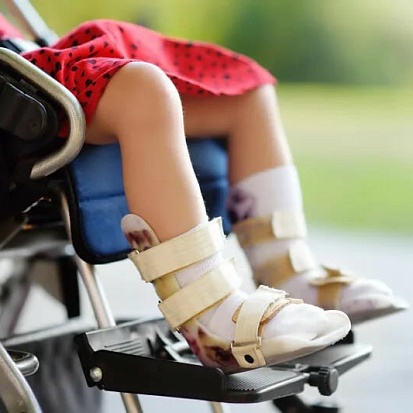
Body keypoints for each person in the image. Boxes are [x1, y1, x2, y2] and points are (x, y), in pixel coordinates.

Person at [0, 15, 406, 373]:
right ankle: (211, 319)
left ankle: (287, 269)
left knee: (245, 91)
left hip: (21, 64)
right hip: (13, 94)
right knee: (142, 90)